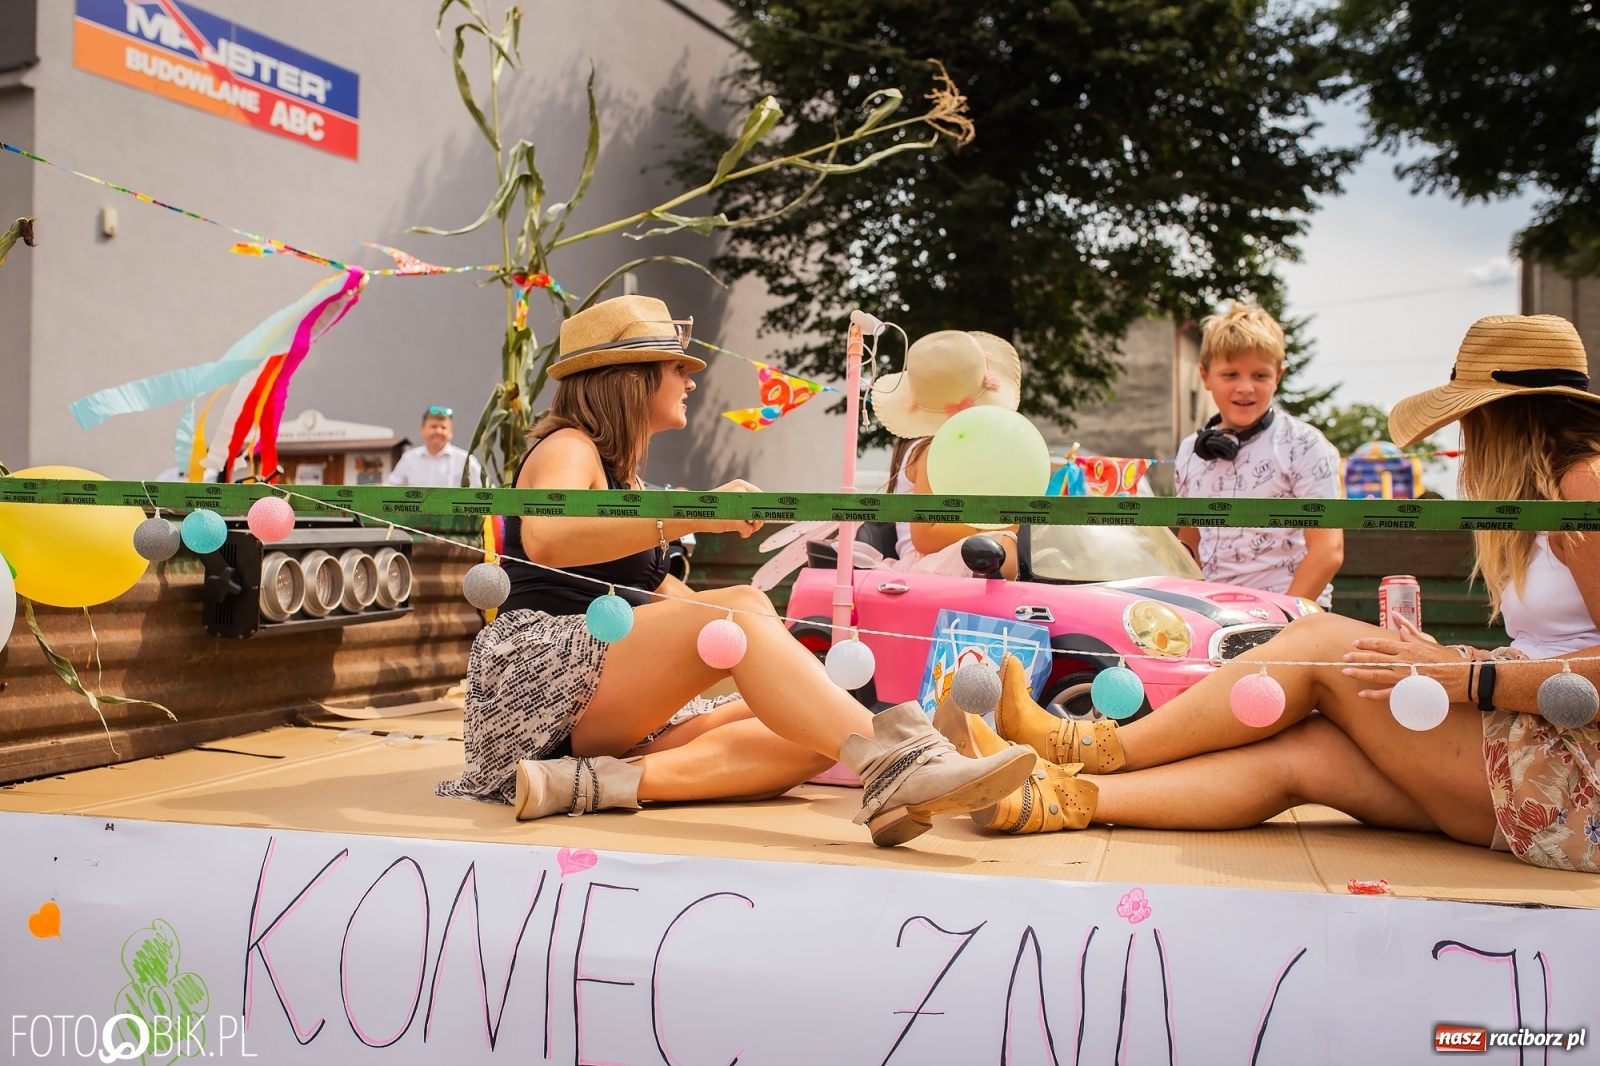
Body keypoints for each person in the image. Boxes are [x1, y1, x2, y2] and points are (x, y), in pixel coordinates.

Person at [943, 314, 1600, 873]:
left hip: (1574, 779)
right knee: (1303, 755)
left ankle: (1080, 744)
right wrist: (1451, 665)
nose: (1463, 434)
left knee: (1312, 641)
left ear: (1502, 413)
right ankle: (1054, 794)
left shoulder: (1587, 485)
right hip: (1529, 740)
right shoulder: (1542, 495)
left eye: (1467, 414)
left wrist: (1470, 678)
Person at [436, 295, 1033, 847]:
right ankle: (908, 761)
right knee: (745, 610)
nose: (692, 379)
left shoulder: (621, 474)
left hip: (588, 696)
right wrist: (701, 515)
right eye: (678, 368)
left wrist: (777, 664)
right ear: (630, 378)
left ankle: (578, 783)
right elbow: (547, 537)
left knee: (810, 737)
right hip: (531, 682)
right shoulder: (569, 446)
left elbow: (668, 603)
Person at [1174, 303, 1344, 607]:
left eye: (1260, 375)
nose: (1245, 387)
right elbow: (1190, 545)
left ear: (1278, 376)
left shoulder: (1304, 444)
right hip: (1213, 614)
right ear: (1205, 376)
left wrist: (1281, 621)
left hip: (1292, 614)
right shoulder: (1190, 451)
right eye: (1230, 374)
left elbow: (1328, 551)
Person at [872, 329, 1025, 578]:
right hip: (928, 563)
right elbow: (925, 536)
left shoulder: (958, 451)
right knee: (1006, 548)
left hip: (962, 550)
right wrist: (1000, 521)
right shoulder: (932, 452)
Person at [387, 406, 485, 487]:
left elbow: (488, 492)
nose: (438, 431)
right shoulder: (409, 459)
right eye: (433, 426)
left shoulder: (466, 460)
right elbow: (389, 489)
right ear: (422, 430)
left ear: (451, 432)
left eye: (443, 427)